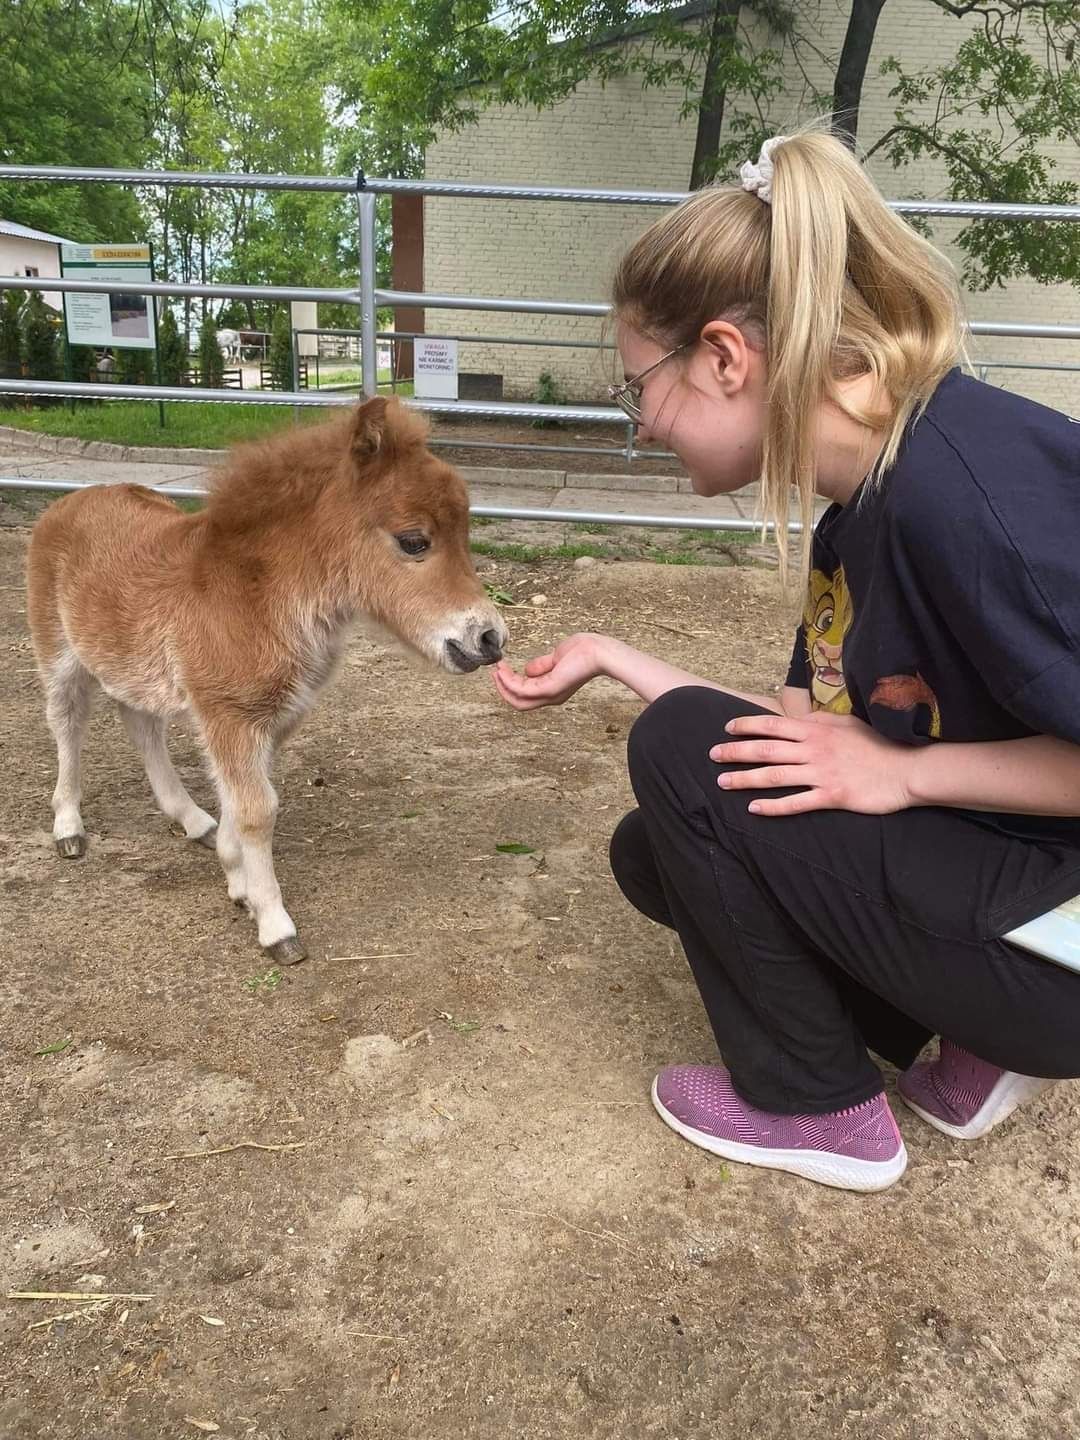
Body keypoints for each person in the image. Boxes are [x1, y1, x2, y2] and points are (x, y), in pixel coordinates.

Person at [492, 130, 1080, 1192]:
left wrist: (905, 772)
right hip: (1031, 895)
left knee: (681, 760)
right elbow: (793, 738)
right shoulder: (868, 507)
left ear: (724, 357)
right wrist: (613, 654)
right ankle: (977, 1036)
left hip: (1067, 959)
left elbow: (863, 763)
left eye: (641, 389)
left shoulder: (969, 502)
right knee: (661, 846)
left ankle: (822, 1107)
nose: (642, 428)